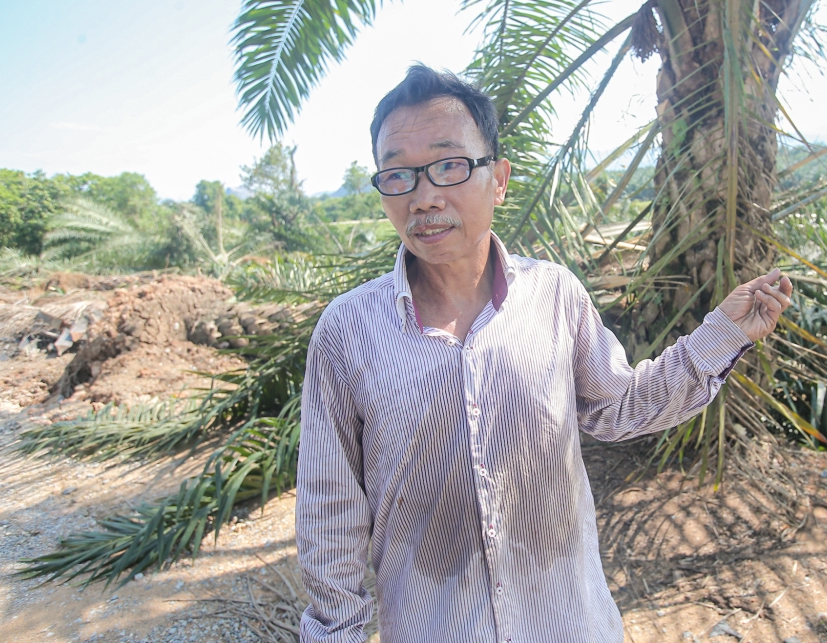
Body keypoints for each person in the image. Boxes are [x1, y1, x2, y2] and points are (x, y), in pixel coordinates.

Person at [295, 65, 793, 643]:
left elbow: (621, 405)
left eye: (450, 165)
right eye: (398, 175)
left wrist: (723, 332)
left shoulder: (555, 296)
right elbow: (330, 515)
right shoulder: (347, 330)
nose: (424, 197)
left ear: (499, 179)